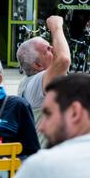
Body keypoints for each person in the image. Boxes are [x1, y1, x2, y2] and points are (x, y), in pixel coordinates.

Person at [16, 15, 71, 147]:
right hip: (45, 157)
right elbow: (63, 60)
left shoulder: (29, 82)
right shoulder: (36, 82)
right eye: (47, 49)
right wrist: (56, 27)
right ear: (37, 65)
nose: (53, 49)